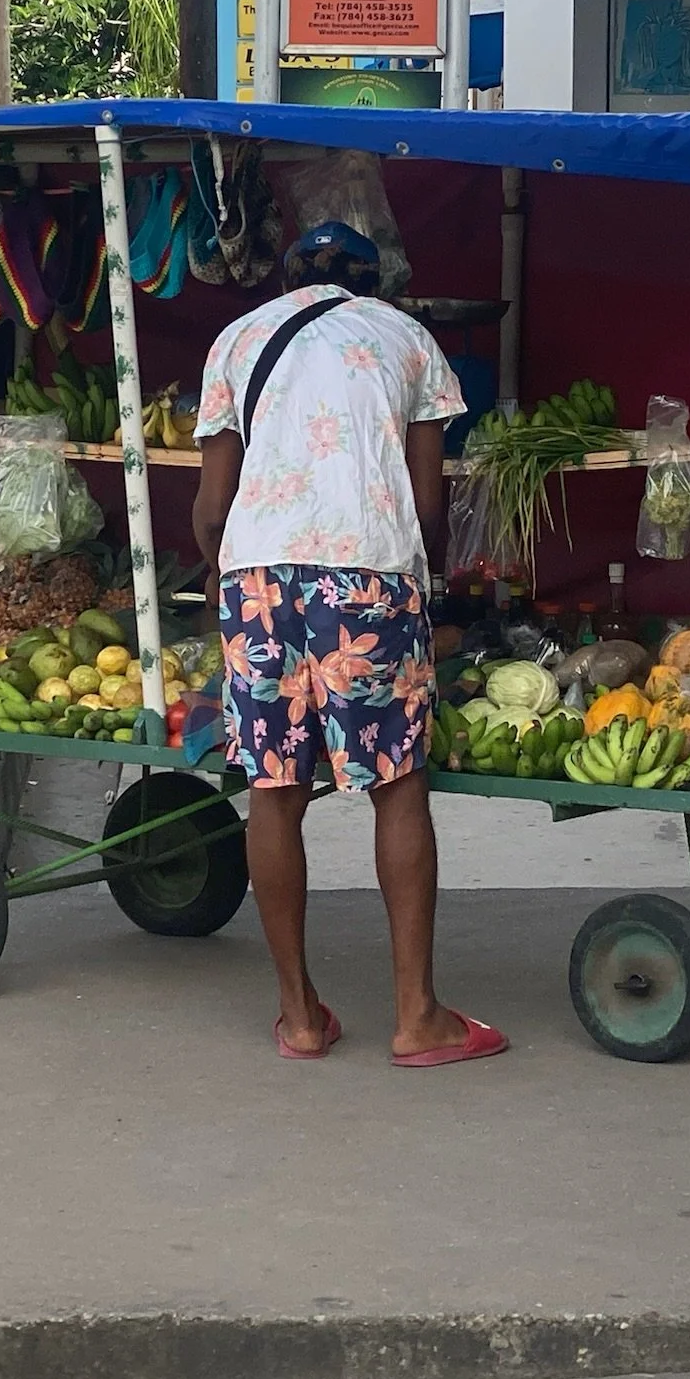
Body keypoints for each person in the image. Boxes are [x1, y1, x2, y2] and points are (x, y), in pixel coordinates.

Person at [192, 222, 508, 1068]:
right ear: (376, 284)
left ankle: (300, 1017)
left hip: (256, 578)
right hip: (365, 574)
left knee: (274, 790)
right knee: (397, 787)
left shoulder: (238, 338)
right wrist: (428, 587)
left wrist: (229, 577)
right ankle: (418, 1019)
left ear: (288, 278)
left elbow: (212, 509)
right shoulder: (407, 338)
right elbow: (429, 504)